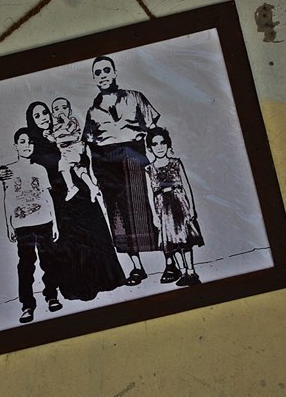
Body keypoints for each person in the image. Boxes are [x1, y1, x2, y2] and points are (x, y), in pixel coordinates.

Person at [10, 101, 126, 301]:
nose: (43, 118)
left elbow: (81, 155)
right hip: (59, 200)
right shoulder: (33, 146)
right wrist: (2, 172)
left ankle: (103, 280)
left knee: (91, 235)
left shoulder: (61, 132)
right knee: (71, 242)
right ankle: (80, 287)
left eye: (45, 113)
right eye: (37, 116)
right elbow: (24, 168)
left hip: (79, 192)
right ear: (31, 121)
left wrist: (80, 164)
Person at [82, 56, 180, 285]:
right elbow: (88, 145)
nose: (103, 75)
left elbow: (154, 129)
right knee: (119, 217)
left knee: (150, 209)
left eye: (107, 70)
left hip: (135, 158)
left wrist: (163, 157)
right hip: (107, 166)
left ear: (115, 73)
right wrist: (94, 178)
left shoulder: (135, 97)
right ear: (94, 78)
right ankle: (137, 268)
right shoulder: (92, 112)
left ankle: (171, 263)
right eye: (98, 72)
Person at [0, 127, 63, 323]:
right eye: (22, 142)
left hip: (44, 222)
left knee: (48, 261)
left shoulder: (40, 169)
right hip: (22, 226)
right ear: (16, 146)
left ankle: (52, 297)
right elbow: (7, 199)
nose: (27, 145)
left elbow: (47, 196)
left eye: (30, 142)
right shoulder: (8, 171)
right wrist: (9, 225)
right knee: (26, 265)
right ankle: (27, 306)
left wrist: (55, 224)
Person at [145, 126, 204, 286]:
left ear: (168, 144)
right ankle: (183, 272)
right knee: (171, 243)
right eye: (155, 144)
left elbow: (186, 186)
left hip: (179, 204)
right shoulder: (149, 169)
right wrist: (154, 216)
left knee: (185, 240)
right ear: (150, 148)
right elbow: (150, 194)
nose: (159, 147)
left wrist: (191, 208)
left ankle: (191, 271)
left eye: (162, 143)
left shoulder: (176, 163)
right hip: (163, 209)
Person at [46, 97, 102, 203]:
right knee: (79, 170)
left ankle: (71, 187)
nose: (61, 111)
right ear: (53, 114)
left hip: (73, 147)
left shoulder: (72, 121)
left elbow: (72, 128)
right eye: (57, 109)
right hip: (66, 151)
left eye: (64, 108)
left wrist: (64, 118)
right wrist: (48, 136)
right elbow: (54, 139)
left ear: (70, 111)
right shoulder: (56, 127)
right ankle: (92, 187)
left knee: (63, 165)